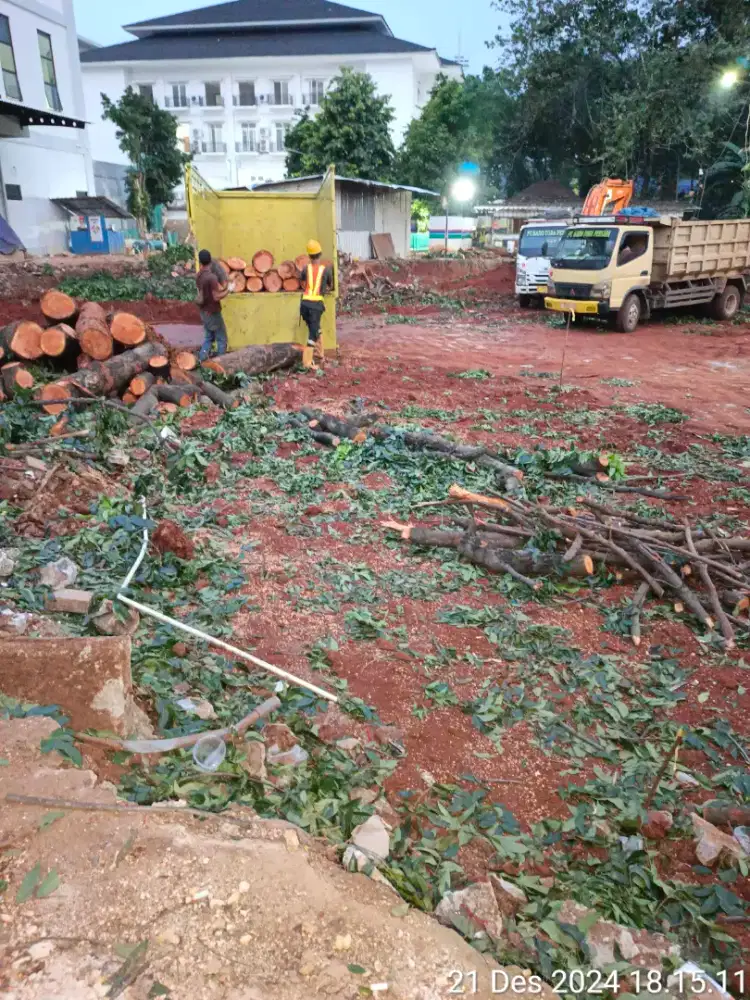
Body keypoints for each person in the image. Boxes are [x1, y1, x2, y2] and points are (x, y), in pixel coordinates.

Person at [298, 239, 334, 365]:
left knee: (316, 328)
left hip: (304, 305)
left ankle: (320, 354)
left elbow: (302, 283)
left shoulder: (305, 269)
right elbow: (330, 285)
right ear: (320, 253)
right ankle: (307, 363)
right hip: (316, 306)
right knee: (313, 334)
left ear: (309, 255)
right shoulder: (326, 270)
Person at [195, 249, 228, 361]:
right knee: (222, 338)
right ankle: (221, 362)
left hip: (204, 311)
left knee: (209, 337)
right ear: (210, 260)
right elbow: (216, 297)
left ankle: (202, 358)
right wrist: (228, 291)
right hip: (213, 312)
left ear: (200, 262)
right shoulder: (211, 278)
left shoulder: (199, 275)